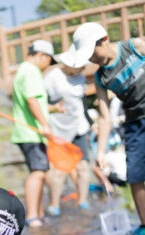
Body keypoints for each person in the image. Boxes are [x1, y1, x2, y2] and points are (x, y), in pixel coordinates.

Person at [66, 22, 145, 235]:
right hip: (134, 123)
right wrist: (100, 153)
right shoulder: (101, 78)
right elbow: (104, 116)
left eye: (93, 52)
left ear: (106, 39)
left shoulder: (135, 47)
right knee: (135, 175)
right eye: (88, 56)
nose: (92, 59)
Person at [11, 40, 64, 227]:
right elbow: (31, 100)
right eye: (49, 60)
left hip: (31, 132)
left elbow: (37, 103)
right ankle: (32, 216)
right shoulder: (31, 71)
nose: (49, 65)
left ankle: (39, 214)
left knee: (41, 170)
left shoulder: (24, 70)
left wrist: (54, 109)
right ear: (42, 55)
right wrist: (44, 125)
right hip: (30, 132)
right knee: (38, 172)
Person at [44, 48, 93, 215]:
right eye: (79, 66)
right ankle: (54, 204)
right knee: (60, 169)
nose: (82, 69)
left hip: (79, 125)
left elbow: (82, 102)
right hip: (59, 127)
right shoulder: (53, 77)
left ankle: (83, 200)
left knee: (84, 166)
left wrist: (90, 122)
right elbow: (42, 102)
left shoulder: (80, 77)